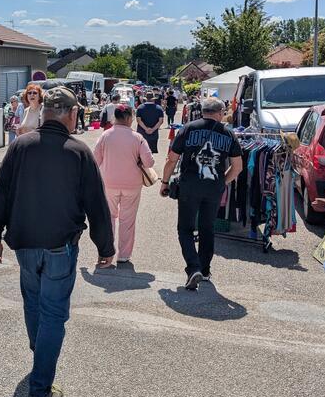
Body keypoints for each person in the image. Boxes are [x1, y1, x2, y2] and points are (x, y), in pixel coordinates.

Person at [0, 86, 115, 397]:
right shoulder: (78, 151)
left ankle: (39, 352)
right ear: (72, 114)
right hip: (60, 247)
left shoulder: (21, 146)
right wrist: (105, 247)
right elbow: (96, 204)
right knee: (54, 314)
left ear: (44, 113)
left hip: (25, 244)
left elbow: (1, 191)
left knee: (33, 301)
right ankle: (40, 391)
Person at [160, 97, 243, 290]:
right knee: (207, 228)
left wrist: (165, 182)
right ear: (220, 113)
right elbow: (237, 167)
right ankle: (204, 270)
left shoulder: (188, 129)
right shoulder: (228, 134)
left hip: (189, 186)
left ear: (202, 111)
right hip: (213, 187)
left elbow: (172, 159)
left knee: (185, 229)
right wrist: (223, 181)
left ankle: (193, 267)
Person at [94, 104, 155, 264]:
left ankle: (107, 251)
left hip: (109, 183)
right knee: (127, 220)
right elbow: (149, 162)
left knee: (109, 218)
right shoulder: (137, 138)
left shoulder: (105, 135)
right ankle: (124, 255)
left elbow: (95, 161)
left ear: (115, 117)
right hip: (132, 184)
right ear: (129, 118)